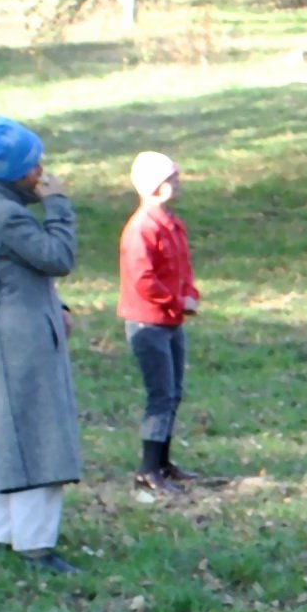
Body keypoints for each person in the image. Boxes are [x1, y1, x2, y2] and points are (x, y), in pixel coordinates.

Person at [0, 120, 82, 573]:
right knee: (38, 435)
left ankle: (2, 532)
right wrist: (57, 204)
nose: (41, 171)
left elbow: (22, 271)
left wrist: (57, 306)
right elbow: (58, 258)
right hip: (23, 339)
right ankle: (36, 546)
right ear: (16, 172)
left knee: (9, 433)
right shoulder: (9, 215)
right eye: (34, 165)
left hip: (12, 328)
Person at [119, 149, 201, 494]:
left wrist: (190, 293)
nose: (178, 183)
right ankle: (148, 469)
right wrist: (178, 301)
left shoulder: (171, 223)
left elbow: (182, 267)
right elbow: (144, 280)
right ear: (153, 185)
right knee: (161, 394)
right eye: (171, 179)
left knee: (173, 392)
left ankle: (164, 463)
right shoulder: (142, 229)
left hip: (170, 321)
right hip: (148, 323)